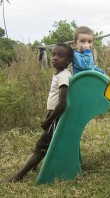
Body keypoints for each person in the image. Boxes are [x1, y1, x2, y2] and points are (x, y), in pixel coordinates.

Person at [7, 43, 73, 182]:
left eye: (60, 56)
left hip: (57, 118)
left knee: (41, 148)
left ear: (69, 61)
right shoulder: (59, 74)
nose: (55, 58)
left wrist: (49, 120)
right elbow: (54, 101)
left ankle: (19, 176)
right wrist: (47, 116)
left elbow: (62, 103)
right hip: (53, 116)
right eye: (53, 54)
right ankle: (34, 166)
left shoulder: (64, 76)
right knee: (43, 145)